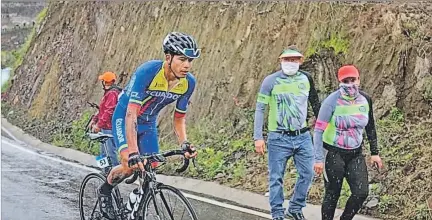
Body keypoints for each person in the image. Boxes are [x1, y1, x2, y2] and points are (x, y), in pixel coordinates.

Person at [97, 32, 200, 220]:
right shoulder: (148, 72)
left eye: (190, 60)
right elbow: (131, 114)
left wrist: (184, 143)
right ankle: (104, 192)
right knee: (129, 164)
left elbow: (179, 118)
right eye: (182, 59)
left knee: (152, 165)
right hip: (124, 117)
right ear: (168, 57)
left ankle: (136, 207)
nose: (187, 65)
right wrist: (134, 152)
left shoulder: (188, 83)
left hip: (148, 123)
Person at [254, 45, 321, 220]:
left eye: (294, 60)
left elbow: (315, 102)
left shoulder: (307, 79)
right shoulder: (270, 81)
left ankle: (295, 208)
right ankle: (277, 213)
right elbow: (260, 109)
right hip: (278, 137)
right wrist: (258, 137)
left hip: (303, 136)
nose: (290, 63)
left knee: (308, 173)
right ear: (281, 61)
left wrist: (322, 126)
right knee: (276, 178)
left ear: (300, 61)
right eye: (287, 59)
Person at [313, 65, 383, 220]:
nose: (350, 84)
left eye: (353, 80)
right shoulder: (331, 101)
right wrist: (318, 158)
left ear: (359, 80)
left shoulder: (365, 100)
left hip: (355, 153)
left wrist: (375, 153)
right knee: (333, 193)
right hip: (332, 153)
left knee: (361, 192)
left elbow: (370, 126)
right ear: (340, 82)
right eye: (346, 80)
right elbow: (318, 131)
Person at [88, 71, 122, 170]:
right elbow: (102, 110)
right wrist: (94, 120)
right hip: (105, 127)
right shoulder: (109, 93)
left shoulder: (112, 94)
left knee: (110, 152)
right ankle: (104, 171)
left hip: (109, 128)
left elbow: (109, 111)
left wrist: (99, 125)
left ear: (105, 82)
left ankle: (115, 172)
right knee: (103, 153)